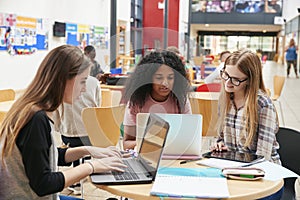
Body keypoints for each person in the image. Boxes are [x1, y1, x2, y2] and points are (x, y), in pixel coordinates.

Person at [0, 45, 126, 199]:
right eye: (82, 82)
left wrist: (88, 150)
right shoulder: (36, 119)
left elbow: (45, 157)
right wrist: (91, 166)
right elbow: (43, 184)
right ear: (62, 80)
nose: (85, 89)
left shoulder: (31, 109)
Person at [212, 49, 282, 199]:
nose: (228, 83)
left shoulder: (263, 105)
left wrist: (234, 173)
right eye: (226, 75)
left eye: (235, 79)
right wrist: (219, 144)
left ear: (249, 80)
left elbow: (263, 159)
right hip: (233, 169)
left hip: (263, 179)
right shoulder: (225, 99)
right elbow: (221, 138)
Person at [122, 50, 192, 150]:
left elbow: (189, 139)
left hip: (175, 155)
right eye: (159, 78)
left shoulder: (181, 99)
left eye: (170, 78)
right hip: (146, 156)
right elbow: (127, 144)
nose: (165, 83)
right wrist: (151, 144)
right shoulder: (136, 101)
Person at [53, 75, 101, 195]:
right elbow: (98, 108)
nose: (84, 89)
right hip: (90, 135)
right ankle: (80, 173)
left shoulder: (61, 85)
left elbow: (57, 122)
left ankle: (77, 178)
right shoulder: (94, 82)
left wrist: (61, 129)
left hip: (69, 135)